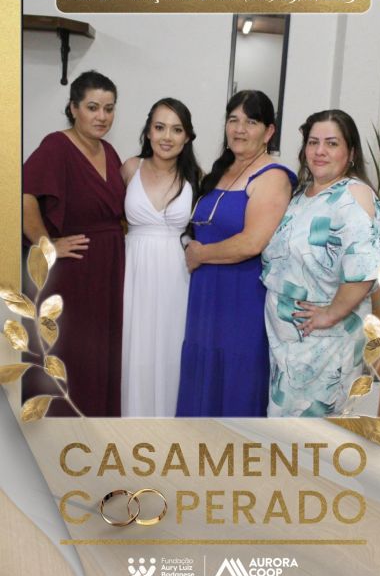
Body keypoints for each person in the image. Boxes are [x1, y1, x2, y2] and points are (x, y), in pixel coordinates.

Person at [176, 90, 297, 417]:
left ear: (269, 132)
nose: (240, 129)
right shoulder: (221, 171)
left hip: (241, 300)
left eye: (251, 122)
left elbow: (252, 243)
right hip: (205, 298)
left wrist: (200, 255)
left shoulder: (273, 176)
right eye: (234, 120)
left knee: (235, 382)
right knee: (202, 377)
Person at [261, 109, 380, 417]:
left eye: (332, 143)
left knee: (314, 434)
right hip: (290, 345)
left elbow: (364, 270)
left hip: (326, 345)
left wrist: (330, 314)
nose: (320, 151)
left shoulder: (353, 195)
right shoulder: (303, 195)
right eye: (313, 142)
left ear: (351, 153)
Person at [23, 70, 125, 416]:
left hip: (108, 268)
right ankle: (62, 433)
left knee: (101, 353)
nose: (102, 116)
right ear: (73, 108)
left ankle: (96, 429)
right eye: (93, 107)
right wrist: (47, 244)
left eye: (109, 108)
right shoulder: (56, 146)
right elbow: (24, 196)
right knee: (72, 353)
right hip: (74, 272)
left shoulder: (109, 151)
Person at [121, 98, 202, 416]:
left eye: (176, 129)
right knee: (134, 349)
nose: (167, 137)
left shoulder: (197, 177)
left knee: (171, 350)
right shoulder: (130, 168)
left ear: (187, 136)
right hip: (134, 271)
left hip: (176, 276)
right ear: (148, 132)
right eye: (159, 127)